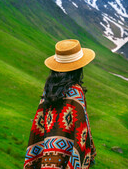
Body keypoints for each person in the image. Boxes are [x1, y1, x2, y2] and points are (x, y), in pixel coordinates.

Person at [23, 39, 96, 169]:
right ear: (79, 67)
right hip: (67, 159)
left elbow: (38, 127)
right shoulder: (76, 92)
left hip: (46, 157)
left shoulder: (48, 91)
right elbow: (82, 134)